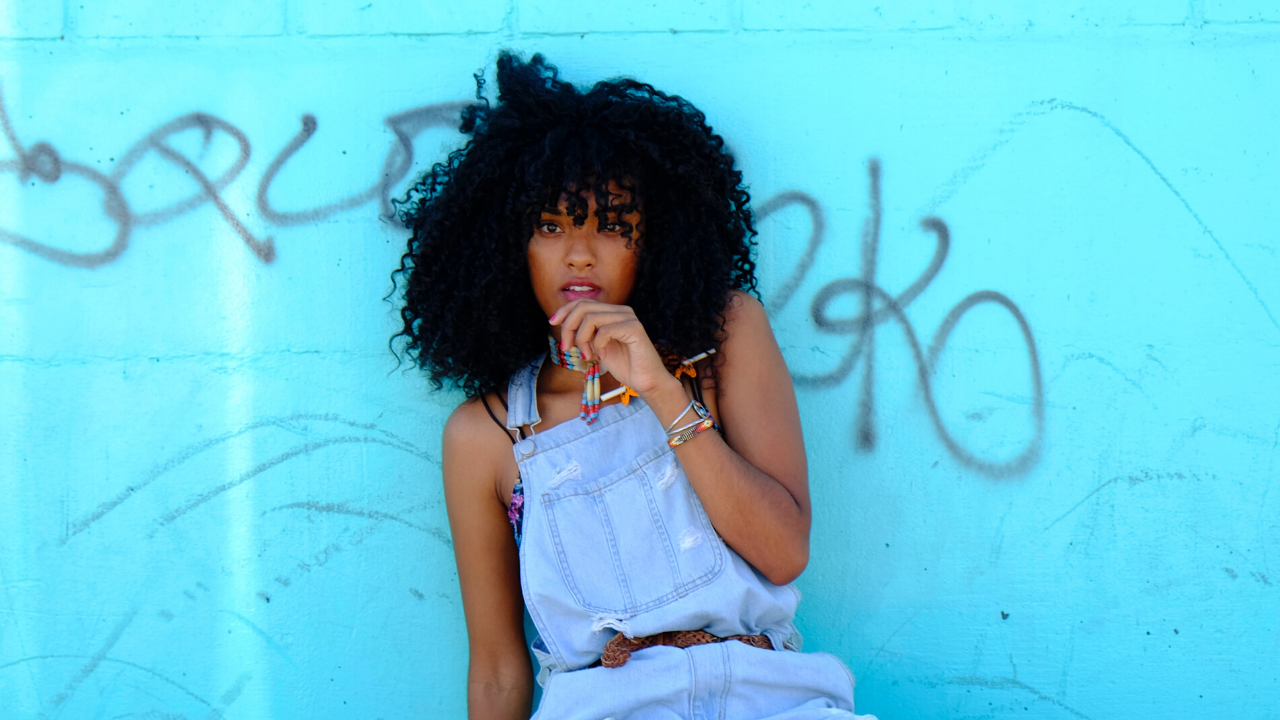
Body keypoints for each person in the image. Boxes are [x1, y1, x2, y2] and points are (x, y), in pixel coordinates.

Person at [393, 51, 876, 720]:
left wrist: (660, 388)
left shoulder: (724, 341)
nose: (579, 254)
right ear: (508, 246)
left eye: (613, 226)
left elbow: (783, 551)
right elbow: (500, 673)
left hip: (771, 699)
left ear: (655, 241)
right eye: (550, 227)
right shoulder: (489, 435)